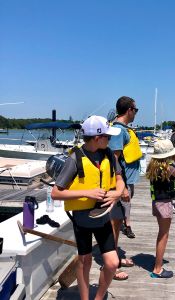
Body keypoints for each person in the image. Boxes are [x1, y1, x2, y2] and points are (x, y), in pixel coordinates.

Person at [51, 115, 125, 300]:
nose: (110, 139)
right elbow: (56, 193)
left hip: (103, 218)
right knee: (85, 260)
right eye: (108, 136)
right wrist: (87, 193)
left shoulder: (108, 154)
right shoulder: (74, 158)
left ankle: (98, 297)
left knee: (112, 263)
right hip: (82, 220)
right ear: (97, 138)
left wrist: (117, 193)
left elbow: (119, 180)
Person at [108, 96, 142, 279]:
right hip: (121, 185)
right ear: (129, 110)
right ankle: (111, 267)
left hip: (127, 183)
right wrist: (122, 188)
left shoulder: (123, 130)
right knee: (114, 225)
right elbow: (113, 160)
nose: (136, 113)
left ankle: (116, 258)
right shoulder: (118, 131)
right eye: (135, 109)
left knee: (118, 222)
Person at [146, 139, 175, 278]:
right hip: (164, 204)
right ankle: (157, 269)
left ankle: (158, 262)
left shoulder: (152, 166)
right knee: (163, 235)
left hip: (156, 203)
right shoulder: (169, 168)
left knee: (161, 233)